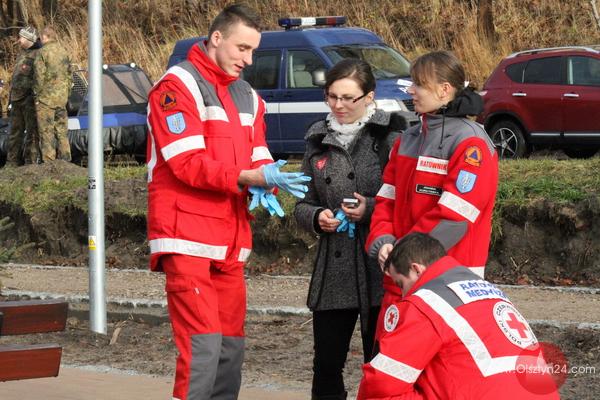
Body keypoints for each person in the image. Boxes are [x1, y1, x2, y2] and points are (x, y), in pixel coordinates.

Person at [146, 4, 310, 400]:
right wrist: (247, 178)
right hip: (186, 236)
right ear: (216, 38)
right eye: (242, 48)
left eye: (253, 51)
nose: (248, 60)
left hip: (229, 238)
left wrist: (268, 181)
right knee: (202, 348)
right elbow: (186, 163)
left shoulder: (249, 96)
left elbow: (259, 155)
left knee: (230, 349)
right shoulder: (177, 86)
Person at [294, 58, 406, 400]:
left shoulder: (391, 137)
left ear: (369, 96)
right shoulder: (317, 137)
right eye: (332, 96)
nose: (338, 105)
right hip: (334, 268)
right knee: (326, 364)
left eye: (348, 98)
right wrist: (317, 217)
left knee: (381, 363)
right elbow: (301, 203)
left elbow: (404, 200)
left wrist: (369, 208)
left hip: (380, 263)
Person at [366, 50, 499, 337]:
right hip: (399, 280)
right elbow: (385, 202)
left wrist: (401, 254)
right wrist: (383, 243)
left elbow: (454, 218)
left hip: (448, 286)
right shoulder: (407, 140)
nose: (411, 90)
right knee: (390, 361)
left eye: (419, 84)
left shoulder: (471, 143)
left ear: (444, 90)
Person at [357, 232, 560, 399]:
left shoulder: (425, 303)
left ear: (416, 269)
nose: (402, 294)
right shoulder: (490, 291)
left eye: (401, 284)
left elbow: (379, 385)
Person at [33, 25, 72, 162]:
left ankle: (49, 163)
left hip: (46, 100)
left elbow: (39, 76)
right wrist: (66, 94)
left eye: (41, 37)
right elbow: (70, 75)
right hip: (61, 99)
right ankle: (66, 160)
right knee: (62, 131)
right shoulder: (64, 51)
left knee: (46, 131)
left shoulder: (42, 52)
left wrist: (36, 96)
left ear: (45, 37)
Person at [6, 26, 41, 166]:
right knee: (14, 131)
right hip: (16, 98)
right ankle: (12, 162)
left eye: (21, 37)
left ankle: (30, 163)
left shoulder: (39, 54)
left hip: (29, 99)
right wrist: (10, 99)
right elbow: (16, 77)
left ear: (28, 38)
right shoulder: (21, 53)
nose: (19, 40)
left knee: (32, 132)